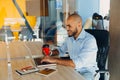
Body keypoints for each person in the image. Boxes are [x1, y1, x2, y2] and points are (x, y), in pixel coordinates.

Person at [41, 13, 98, 80]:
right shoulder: (70, 38)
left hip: (86, 72)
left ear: (79, 25)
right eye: (66, 26)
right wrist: (50, 53)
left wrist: (54, 60)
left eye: (69, 26)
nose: (67, 29)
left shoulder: (89, 40)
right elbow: (61, 50)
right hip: (73, 70)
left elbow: (77, 63)